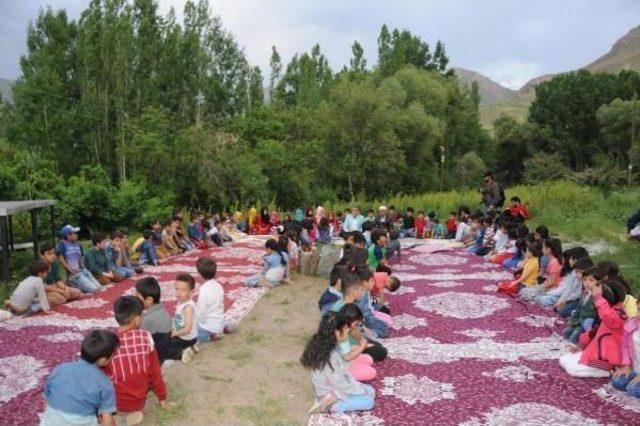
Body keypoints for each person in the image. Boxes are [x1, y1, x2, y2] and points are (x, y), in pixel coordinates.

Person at [104, 296, 167, 424]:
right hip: (137, 403)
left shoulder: (107, 343)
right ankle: (126, 417)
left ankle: (112, 417)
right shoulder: (145, 337)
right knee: (158, 371)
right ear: (137, 319)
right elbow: (155, 373)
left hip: (114, 404)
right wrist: (162, 398)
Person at [300, 312, 375, 414]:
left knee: (370, 391)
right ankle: (330, 406)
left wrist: (357, 386)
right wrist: (357, 389)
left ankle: (339, 399)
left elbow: (343, 370)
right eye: (345, 328)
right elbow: (339, 384)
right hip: (330, 392)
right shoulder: (329, 356)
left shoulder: (330, 345)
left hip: (337, 384)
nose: (348, 330)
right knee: (368, 401)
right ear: (336, 332)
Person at [41, 330, 119, 426]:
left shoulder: (60, 369)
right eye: (113, 356)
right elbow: (108, 421)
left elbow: (46, 402)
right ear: (103, 360)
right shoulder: (104, 382)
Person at [559, 280, 627, 378]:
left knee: (573, 370)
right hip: (595, 352)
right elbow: (592, 332)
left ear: (607, 298)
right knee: (564, 359)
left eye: (599, 297)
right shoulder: (603, 312)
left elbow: (608, 316)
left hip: (606, 358)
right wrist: (580, 346)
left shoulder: (619, 313)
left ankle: (608, 371)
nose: (595, 300)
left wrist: (598, 298)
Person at [136, 277, 190, 364]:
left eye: (137, 296)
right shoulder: (160, 309)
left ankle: (179, 353)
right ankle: (180, 351)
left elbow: (137, 338)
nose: (135, 298)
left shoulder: (147, 320)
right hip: (165, 339)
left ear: (149, 300)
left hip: (158, 356)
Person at [195, 257, 235, 343]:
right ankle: (223, 329)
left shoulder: (204, 290)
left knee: (188, 332)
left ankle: (210, 337)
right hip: (218, 323)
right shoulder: (218, 286)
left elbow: (200, 314)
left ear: (199, 274)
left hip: (207, 328)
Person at [337, 304, 377, 382]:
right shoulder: (341, 332)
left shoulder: (343, 327)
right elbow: (347, 357)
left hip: (342, 359)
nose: (356, 326)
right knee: (372, 373)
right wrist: (361, 347)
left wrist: (360, 346)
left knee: (368, 359)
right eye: (356, 324)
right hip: (340, 366)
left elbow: (345, 348)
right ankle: (346, 377)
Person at [56, 224, 102, 293]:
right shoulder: (62, 243)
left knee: (99, 287)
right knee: (94, 289)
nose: (76, 235)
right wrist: (70, 270)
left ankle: (80, 286)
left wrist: (83, 266)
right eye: (74, 233)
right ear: (68, 235)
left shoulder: (78, 244)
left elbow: (81, 257)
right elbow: (61, 259)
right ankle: (72, 284)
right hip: (74, 275)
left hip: (83, 271)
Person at [563, 266, 602, 345]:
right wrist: (573, 319)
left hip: (588, 324)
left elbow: (597, 314)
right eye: (585, 280)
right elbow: (579, 308)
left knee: (573, 339)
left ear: (598, 282)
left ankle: (586, 339)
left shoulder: (598, 296)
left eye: (591, 280)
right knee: (565, 332)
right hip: (579, 321)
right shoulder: (584, 292)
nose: (587, 283)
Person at [611, 294, 640, 398]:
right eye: (638, 309)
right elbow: (625, 346)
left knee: (632, 390)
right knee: (617, 382)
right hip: (636, 369)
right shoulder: (632, 324)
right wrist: (626, 365)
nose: (638, 315)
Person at [170, 273, 199, 361]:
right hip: (185, 336)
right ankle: (191, 346)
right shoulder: (182, 302)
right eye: (177, 289)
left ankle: (183, 352)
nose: (179, 292)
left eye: (183, 290)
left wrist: (174, 333)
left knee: (164, 346)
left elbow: (187, 329)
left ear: (191, 292)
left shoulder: (188, 307)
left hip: (186, 338)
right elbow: (179, 319)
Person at [356, 268, 390, 338]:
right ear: (365, 282)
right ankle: (366, 334)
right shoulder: (361, 294)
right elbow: (362, 313)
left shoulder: (366, 291)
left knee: (385, 326)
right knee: (383, 330)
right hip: (365, 319)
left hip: (368, 316)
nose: (374, 283)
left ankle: (368, 332)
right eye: (372, 280)